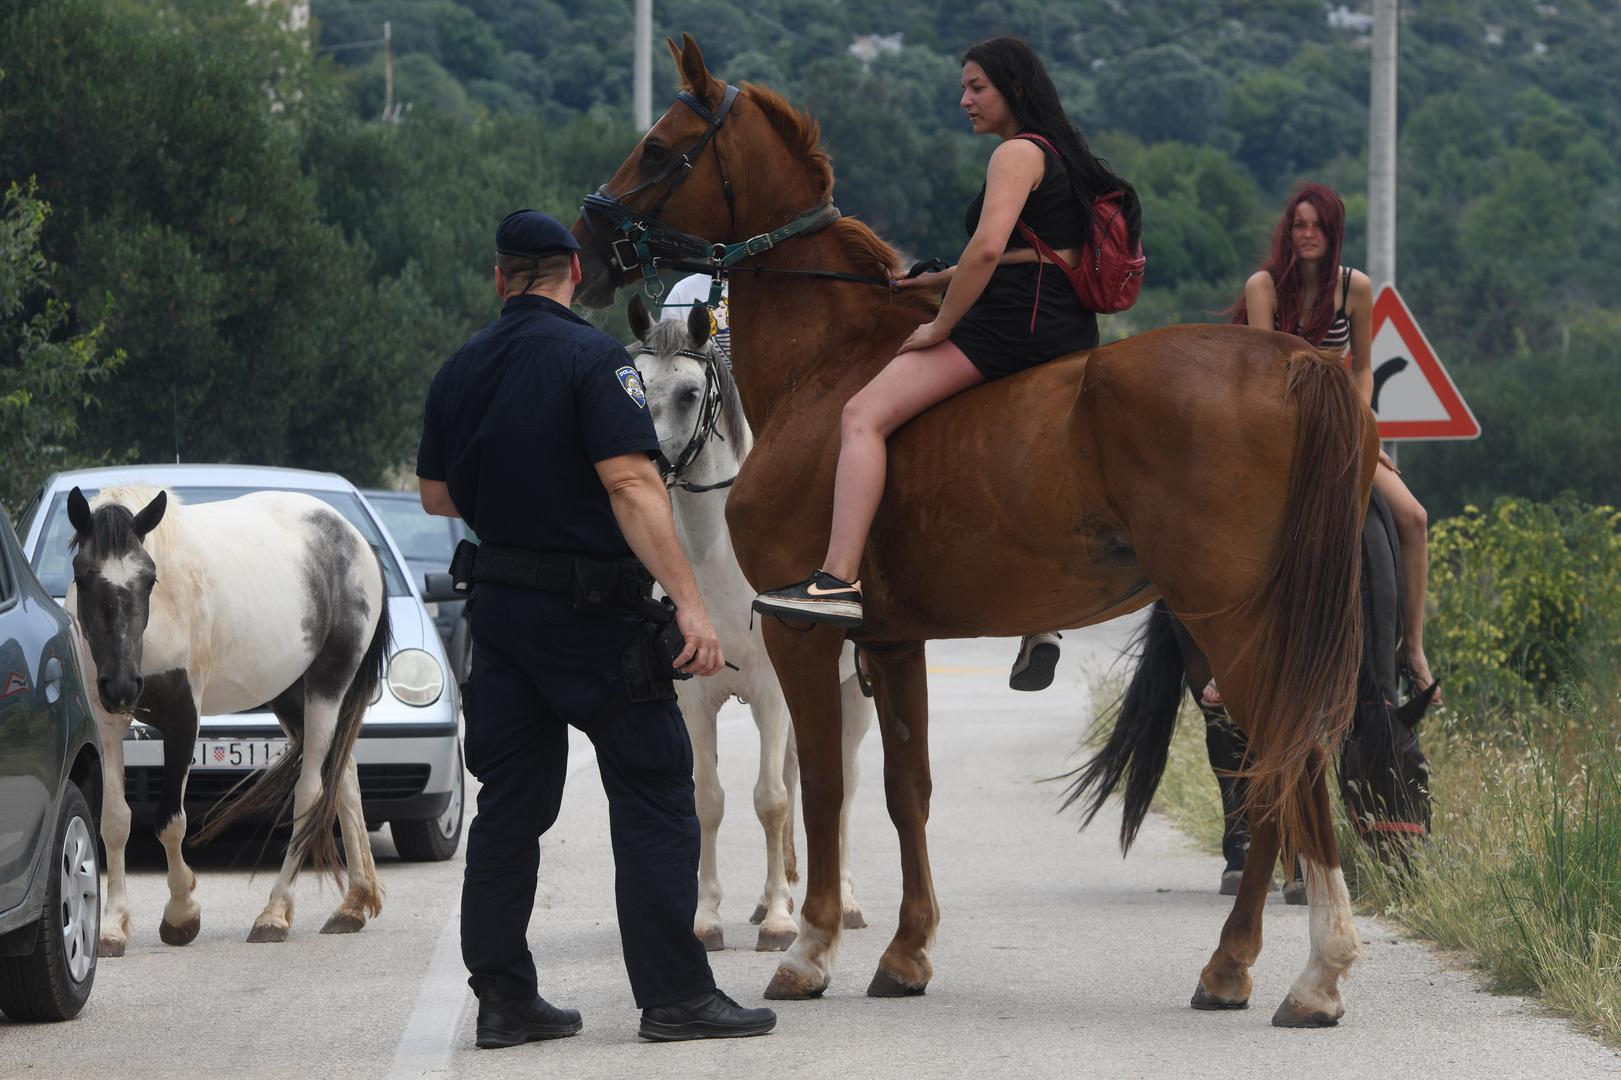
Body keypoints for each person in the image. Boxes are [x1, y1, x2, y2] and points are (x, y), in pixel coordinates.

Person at [416, 209, 777, 1048]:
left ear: (500, 276)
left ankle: (505, 1001)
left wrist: (520, 503)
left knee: (509, 806)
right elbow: (631, 484)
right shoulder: (592, 358)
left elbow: (436, 496)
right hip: (594, 614)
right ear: (572, 274)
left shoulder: (460, 368)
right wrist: (689, 602)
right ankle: (675, 997)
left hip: (499, 610)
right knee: (655, 793)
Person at [751, 36, 1139, 631]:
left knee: (862, 416)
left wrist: (940, 325)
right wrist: (940, 280)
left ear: (1014, 88)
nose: (965, 100)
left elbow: (987, 249)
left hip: (1010, 329)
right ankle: (1041, 622)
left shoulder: (1016, 154)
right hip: (1066, 328)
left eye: (976, 87)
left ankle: (836, 579)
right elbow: (1045, 252)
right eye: (964, 87)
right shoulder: (1063, 154)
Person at [1206, 182, 1439, 705]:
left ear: (1333, 232)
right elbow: (1269, 370)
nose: (1307, 234)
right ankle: (1233, 657)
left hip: (1341, 425)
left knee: (1414, 517)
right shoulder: (1264, 286)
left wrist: (1359, 428)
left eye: (1317, 226)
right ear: (1288, 232)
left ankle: (1415, 652)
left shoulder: (1355, 287)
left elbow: (1364, 371)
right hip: (1277, 422)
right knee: (1248, 525)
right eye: (1299, 225)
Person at [660, 274, 731, 362]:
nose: (719, 311)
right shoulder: (683, 289)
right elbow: (667, 350)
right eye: (716, 308)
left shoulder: (752, 289)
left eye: (723, 308)